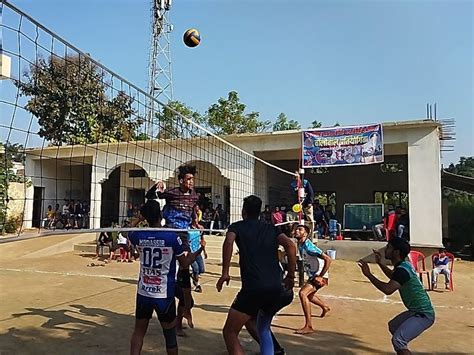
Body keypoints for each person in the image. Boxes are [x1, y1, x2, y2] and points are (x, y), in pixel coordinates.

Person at [216, 195, 297, 355]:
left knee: (230, 332)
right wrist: (291, 276)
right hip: (277, 288)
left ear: (243, 211)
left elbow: (229, 242)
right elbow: (291, 246)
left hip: (253, 289)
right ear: (260, 212)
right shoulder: (271, 228)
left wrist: (225, 272)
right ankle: (276, 351)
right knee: (260, 325)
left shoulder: (237, 227)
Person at [129, 199, 205, 355]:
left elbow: (128, 230)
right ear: (161, 214)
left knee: (138, 332)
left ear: (145, 216)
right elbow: (184, 263)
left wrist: (139, 218)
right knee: (170, 338)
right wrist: (199, 251)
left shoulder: (138, 235)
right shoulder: (171, 236)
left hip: (144, 293)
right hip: (163, 294)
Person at [357, 238, 435, 354]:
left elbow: (388, 290)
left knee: (398, 341)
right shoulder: (404, 265)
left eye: (389, 247)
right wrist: (380, 263)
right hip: (416, 311)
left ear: (396, 252)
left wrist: (369, 275)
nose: (385, 250)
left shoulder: (402, 270)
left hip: (423, 314)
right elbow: (394, 276)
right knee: (394, 326)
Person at [146, 165, 199, 329]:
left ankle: (181, 317)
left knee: (185, 277)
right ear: (181, 180)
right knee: (171, 274)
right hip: (169, 234)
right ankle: (168, 314)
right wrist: (157, 185)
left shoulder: (194, 196)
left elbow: (191, 213)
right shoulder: (172, 193)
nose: (191, 182)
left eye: (192, 179)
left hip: (183, 237)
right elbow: (150, 196)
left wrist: (196, 223)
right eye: (188, 179)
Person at [294, 225, 332, 334]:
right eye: (296, 229)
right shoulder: (300, 244)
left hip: (319, 276)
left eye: (300, 230)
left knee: (303, 294)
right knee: (309, 296)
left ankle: (309, 326)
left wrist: (320, 276)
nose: (296, 230)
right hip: (313, 275)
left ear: (305, 234)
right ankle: (325, 307)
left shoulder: (309, 246)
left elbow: (328, 259)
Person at [290, 172, 315, 239]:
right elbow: (293, 195)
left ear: (299, 175)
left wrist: (310, 202)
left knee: (310, 220)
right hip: (298, 205)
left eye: (296, 175)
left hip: (307, 204)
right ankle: (299, 235)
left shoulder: (305, 182)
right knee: (298, 219)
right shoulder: (292, 185)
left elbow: (311, 193)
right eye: (293, 175)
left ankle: (310, 236)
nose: (295, 176)